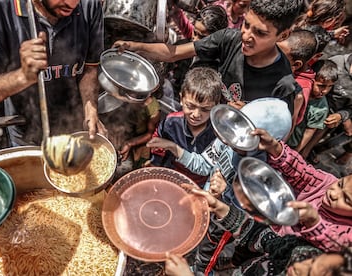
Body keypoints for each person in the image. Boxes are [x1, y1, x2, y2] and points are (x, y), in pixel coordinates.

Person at [147, 98, 293, 274]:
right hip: (207, 204)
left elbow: (250, 218)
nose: (230, 142)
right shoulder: (228, 140)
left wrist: (227, 191)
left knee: (207, 254)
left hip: (222, 225)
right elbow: (202, 164)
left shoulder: (263, 174)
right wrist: (174, 148)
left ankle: (199, 270)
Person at [113, 0, 302, 113]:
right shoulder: (229, 39)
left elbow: (277, 139)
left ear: (283, 35)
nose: (246, 36)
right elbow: (174, 53)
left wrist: (248, 115)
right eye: (246, 25)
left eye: (260, 33)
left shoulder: (283, 85)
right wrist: (135, 46)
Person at [0, 0, 107, 146]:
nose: (72, 3)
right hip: (24, 128)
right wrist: (22, 76)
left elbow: (90, 68)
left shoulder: (89, 4)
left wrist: (90, 110)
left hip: (72, 120)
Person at [165, 183, 352, 276]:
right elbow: (259, 235)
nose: (299, 266)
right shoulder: (301, 253)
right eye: (311, 262)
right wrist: (219, 207)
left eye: (310, 273)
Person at [148, 67, 222, 188]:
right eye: (190, 106)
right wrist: (155, 164)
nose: (196, 115)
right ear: (181, 99)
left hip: (200, 184)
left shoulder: (218, 134)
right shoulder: (171, 122)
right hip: (172, 175)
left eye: (205, 109)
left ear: (216, 106)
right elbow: (158, 142)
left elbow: (215, 168)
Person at [166, 5, 228, 99]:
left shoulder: (221, 67)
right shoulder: (182, 47)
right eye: (195, 33)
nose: (195, 40)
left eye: (202, 37)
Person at [287, 59, 338, 157]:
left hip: (291, 144)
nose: (325, 91)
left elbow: (309, 133)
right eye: (321, 86)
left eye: (330, 87)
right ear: (311, 79)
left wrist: (295, 152)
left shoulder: (321, 108)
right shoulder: (297, 89)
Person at [277, 29, 317, 133]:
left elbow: (289, 125)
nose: (271, 55)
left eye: (279, 55)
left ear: (296, 65)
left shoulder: (299, 89)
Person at [118, 94, 161, 169]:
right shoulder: (126, 96)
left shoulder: (153, 109)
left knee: (138, 166)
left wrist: (130, 143)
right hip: (126, 134)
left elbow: (150, 134)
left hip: (141, 140)